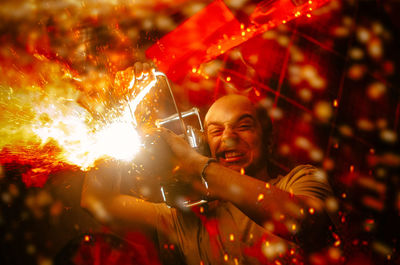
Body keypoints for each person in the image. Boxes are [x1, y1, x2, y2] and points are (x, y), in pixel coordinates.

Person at [81, 63, 335, 265]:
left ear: (268, 141)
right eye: (215, 131)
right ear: (205, 144)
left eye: (243, 126)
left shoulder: (299, 181)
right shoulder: (186, 219)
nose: (228, 137)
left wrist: (198, 166)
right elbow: (95, 199)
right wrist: (113, 112)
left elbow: (305, 222)